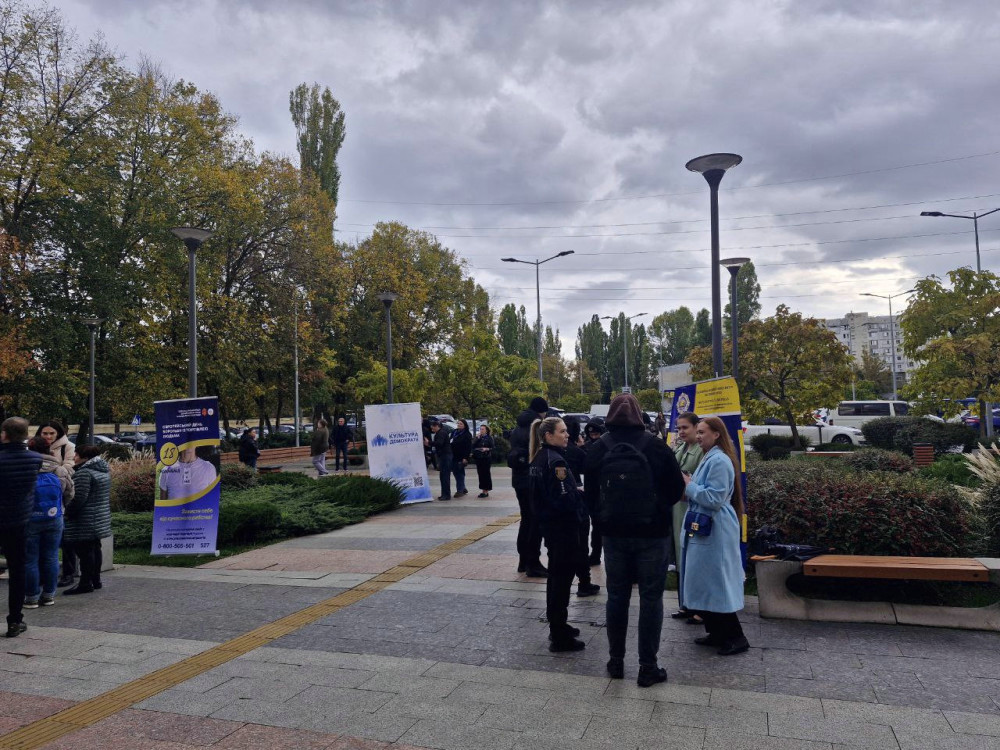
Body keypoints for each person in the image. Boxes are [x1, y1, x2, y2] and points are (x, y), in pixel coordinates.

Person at [584, 394, 685, 687]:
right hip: (653, 534)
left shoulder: (598, 448)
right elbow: (676, 489)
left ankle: (616, 661)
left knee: (617, 596)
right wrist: (656, 510)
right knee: (651, 598)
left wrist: (603, 521)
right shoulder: (657, 446)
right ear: (640, 415)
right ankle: (648, 667)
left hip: (614, 535)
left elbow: (589, 495)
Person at [681, 415, 749, 656]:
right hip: (706, 529)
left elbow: (714, 498)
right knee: (706, 582)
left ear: (716, 434)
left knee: (717, 583)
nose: (698, 436)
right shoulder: (711, 457)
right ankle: (716, 632)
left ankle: (736, 637)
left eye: (702, 432)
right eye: (698, 432)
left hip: (715, 530)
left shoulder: (719, 460)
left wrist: (689, 484)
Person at [528, 417, 588, 652]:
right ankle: (559, 634)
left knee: (556, 577)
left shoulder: (540, 457)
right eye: (562, 431)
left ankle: (558, 624)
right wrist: (579, 496)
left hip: (551, 527)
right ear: (548, 435)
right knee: (561, 580)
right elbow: (563, 500)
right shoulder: (555, 461)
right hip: (562, 528)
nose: (567, 435)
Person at [0, 418, 42, 637]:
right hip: (19, 521)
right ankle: (15, 621)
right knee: (17, 571)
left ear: (4, 434)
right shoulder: (35, 459)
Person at [24, 438, 73, 608]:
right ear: (49, 450)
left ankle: (31, 597)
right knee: (51, 557)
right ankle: (48, 596)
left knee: (30, 559)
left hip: (30, 518)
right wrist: (61, 507)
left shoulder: (27, 469)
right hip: (55, 517)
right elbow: (70, 493)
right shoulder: (59, 469)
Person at [508, 396, 550, 578]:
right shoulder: (536, 426)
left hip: (519, 479)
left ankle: (523, 561)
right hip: (532, 479)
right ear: (542, 411)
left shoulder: (518, 427)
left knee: (526, 520)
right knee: (534, 522)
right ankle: (533, 563)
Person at [670, 412, 704, 622]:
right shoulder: (680, 448)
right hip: (677, 508)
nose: (681, 432)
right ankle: (685, 604)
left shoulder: (701, 450)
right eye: (679, 428)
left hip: (692, 508)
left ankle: (700, 608)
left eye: (685, 427)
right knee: (681, 557)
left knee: (694, 559)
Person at [64, 445, 112, 595]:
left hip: (85, 519)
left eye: (77, 455)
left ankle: (85, 583)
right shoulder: (102, 471)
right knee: (95, 549)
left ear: (85, 458)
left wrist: (67, 512)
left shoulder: (84, 473)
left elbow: (78, 499)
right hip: (98, 517)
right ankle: (95, 580)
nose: (74, 457)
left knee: (85, 552)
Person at [36, 420, 78, 588]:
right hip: (39, 497)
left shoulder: (67, 446)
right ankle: (42, 574)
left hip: (59, 493)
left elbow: (70, 467)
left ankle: (68, 573)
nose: (48, 436)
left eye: (51, 433)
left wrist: (51, 472)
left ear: (58, 433)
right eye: (45, 433)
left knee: (65, 540)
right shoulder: (35, 446)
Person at [563, 416, 599, 598]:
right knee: (581, 544)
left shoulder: (549, 454)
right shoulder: (577, 453)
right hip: (578, 502)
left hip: (560, 507)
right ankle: (584, 582)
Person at [582, 418, 606, 566]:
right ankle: (595, 554)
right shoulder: (586, 447)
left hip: (605, 491)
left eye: (596, 434)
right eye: (591, 435)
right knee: (596, 526)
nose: (594, 437)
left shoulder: (606, 446)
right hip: (592, 492)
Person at [427, 418, 453, 500]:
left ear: (437, 426)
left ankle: (446, 495)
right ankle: (444, 494)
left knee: (445, 476)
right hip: (443, 456)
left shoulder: (441, 433)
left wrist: (429, 443)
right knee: (443, 476)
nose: (432, 429)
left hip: (445, 457)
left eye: (433, 427)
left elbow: (439, 443)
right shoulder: (440, 433)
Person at [450, 419, 472, 498]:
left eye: (461, 424)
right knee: (457, 472)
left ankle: (460, 490)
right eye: (458, 423)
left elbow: (468, 447)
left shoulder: (467, 434)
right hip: (453, 455)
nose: (459, 425)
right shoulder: (454, 432)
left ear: (465, 425)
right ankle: (463, 488)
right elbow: (451, 440)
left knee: (459, 473)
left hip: (461, 456)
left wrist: (465, 458)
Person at [471, 424, 494, 498]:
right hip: (479, 458)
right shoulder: (478, 437)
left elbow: (493, 447)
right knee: (480, 474)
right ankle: (483, 490)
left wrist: (487, 449)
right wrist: (477, 439)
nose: (481, 430)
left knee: (486, 474)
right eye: (480, 429)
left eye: (483, 429)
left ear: (486, 430)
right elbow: (473, 446)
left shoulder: (489, 438)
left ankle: (486, 491)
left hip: (486, 458)